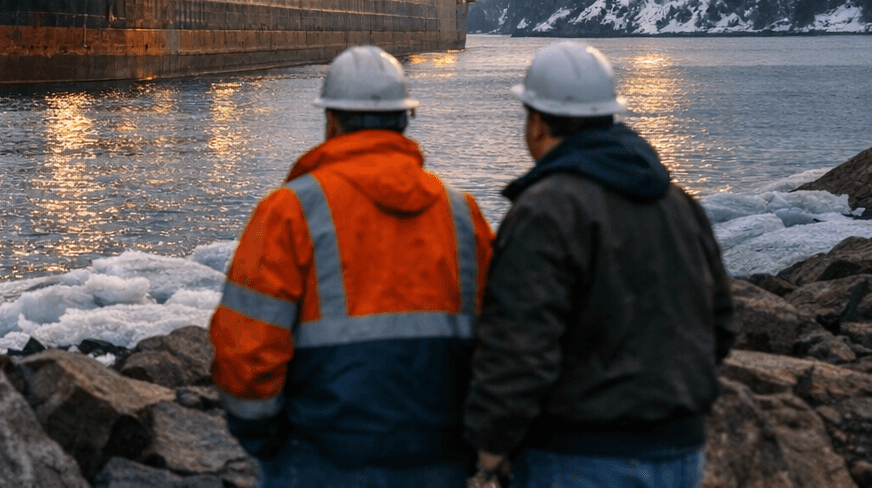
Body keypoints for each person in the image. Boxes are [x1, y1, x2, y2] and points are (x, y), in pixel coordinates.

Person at [210, 45, 493, 487]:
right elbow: (504, 341)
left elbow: (247, 348)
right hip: (438, 457)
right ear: (405, 119)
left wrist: (261, 436)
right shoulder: (462, 214)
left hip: (320, 459)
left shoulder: (290, 211)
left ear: (331, 121)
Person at [465, 41, 735, 488]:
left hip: (578, 455)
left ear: (536, 123)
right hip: (681, 451)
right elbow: (720, 324)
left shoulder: (545, 209)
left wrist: (491, 447)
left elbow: (519, 343)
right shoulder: (678, 202)